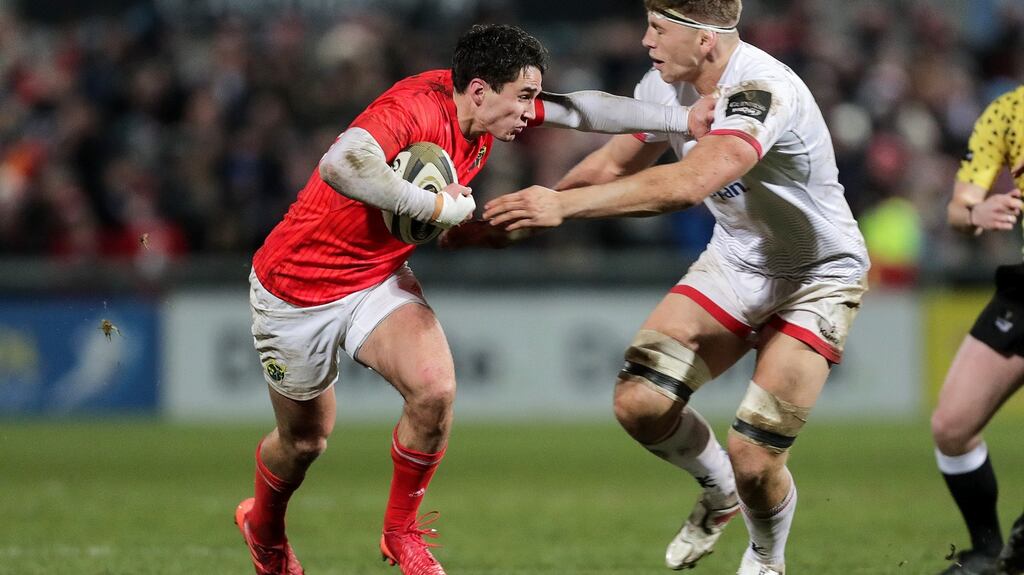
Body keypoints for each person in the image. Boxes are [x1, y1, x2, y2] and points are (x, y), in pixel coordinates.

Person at [235, 23, 715, 575]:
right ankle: (265, 529)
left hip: (376, 280)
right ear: (481, 90)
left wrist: (682, 119)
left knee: (434, 391)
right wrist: (433, 208)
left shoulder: (489, 107)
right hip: (296, 288)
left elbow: (582, 111)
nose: (530, 113)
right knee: (304, 442)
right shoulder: (416, 108)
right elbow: (341, 164)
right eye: (524, 99)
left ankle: (401, 535)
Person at [480, 2, 870, 573]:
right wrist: (519, 218)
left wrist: (559, 206)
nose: (645, 40)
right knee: (640, 404)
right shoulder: (665, 87)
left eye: (659, 29)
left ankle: (766, 558)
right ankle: (719, 493)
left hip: (818, 275)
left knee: (755, 457)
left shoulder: (761, 91)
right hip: (739, 260)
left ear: (706, 40)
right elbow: (614, 166)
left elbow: (692, 182)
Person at [931, 84, 1024, 575]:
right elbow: (956, 210)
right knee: (952, 426)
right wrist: (976, 212)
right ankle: (986, 551)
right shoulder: (1008, 112)